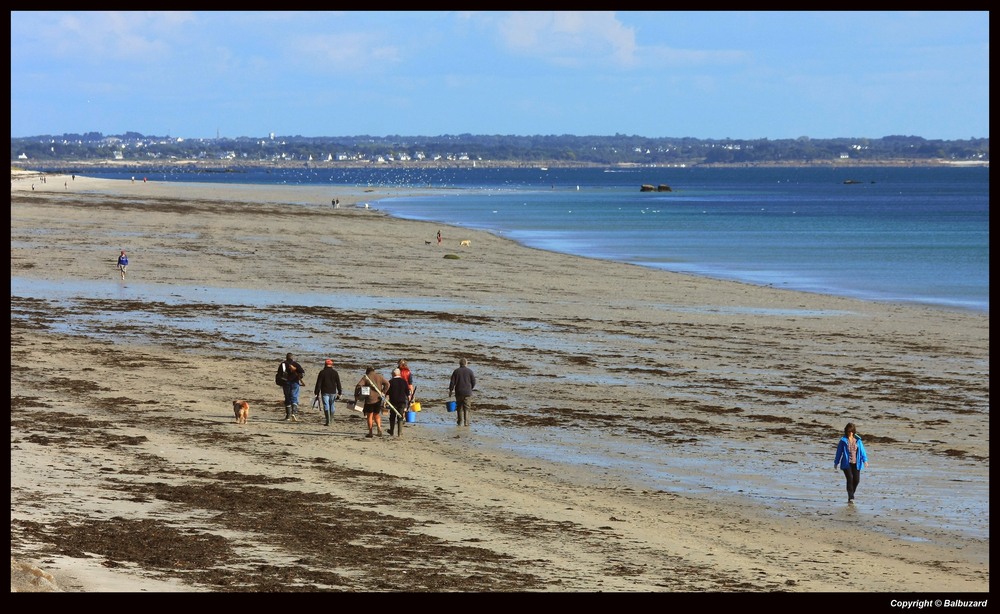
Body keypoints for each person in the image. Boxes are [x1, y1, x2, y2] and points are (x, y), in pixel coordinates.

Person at [834, 422, 869, 504]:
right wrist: (836, 462)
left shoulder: (858, 441)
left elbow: (862, 451)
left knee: (856, 480)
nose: (850, 433)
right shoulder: (843, 441)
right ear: (846, 431)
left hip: (856, 463)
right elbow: (839, 452)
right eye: (849, 432)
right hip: (846, 463)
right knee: (850, 478)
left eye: (852, 431)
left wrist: (865, 461)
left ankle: (851, 493)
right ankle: (851, 496)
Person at [355, 366, 389, 438]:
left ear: (367, 371)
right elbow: (387, 384)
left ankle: (370, 432)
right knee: (376, 414)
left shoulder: (366, 377)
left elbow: (358, 385)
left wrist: (357, 395)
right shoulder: (379, 376)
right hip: (378, 398)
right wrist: (383, 392)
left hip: (369, 399)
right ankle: (379, 428)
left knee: (369, 416)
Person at [313, 359, 342, 427]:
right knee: (332, 405)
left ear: (325, 364)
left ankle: (327, 420)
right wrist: (340, 392)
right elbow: (338, 383)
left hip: (325, 391)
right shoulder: (335, 372)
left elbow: (319, 383)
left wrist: (316, 392)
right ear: (332, 365)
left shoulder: (322, 372)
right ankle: (331, 419)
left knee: (326, 405)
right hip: (333, 391)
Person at [448, 358, 477, 427]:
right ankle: (466, 422)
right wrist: (470, 388)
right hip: (467, 392)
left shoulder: (456, 371)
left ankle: (460, 421)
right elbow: (474, 382)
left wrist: (450, 391)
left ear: (459, 364)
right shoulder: (470, 371)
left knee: (459, 407)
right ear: (466, 363)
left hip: (458, 392)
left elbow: (452, 383)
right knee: (467, 407)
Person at [278, 353, 306, 422]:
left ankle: (288, 416)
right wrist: (295, 369)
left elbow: (279, 374)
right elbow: (302, 372)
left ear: (286, 357)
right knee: (294, 397)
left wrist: (280, 382)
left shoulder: (283, 364)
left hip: (286, 383)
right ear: (292, 357)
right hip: (295, 382)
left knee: (287, 398)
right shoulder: (296, 364)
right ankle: (294, 413)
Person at [386, 368, 410, 437]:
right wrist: (409, 401)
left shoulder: (390, 382)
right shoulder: (404, 381)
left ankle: (391, 431)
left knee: (392, 416)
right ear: (399, 374)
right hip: (402, 402)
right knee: (400, 416)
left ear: (393, 374)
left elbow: (387, 393)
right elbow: (407, 393)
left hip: (393, 401)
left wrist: (385, 402)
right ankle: (399, 433)